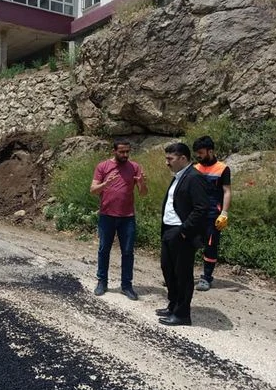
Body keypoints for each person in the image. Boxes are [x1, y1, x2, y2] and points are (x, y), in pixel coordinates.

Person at [157, 143, 209, 326]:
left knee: (183, 274)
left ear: (183, 159)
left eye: (170, 159)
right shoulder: (179, 177)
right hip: (169, 230)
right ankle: (173, 305)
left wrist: (185, 231)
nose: (167, 163)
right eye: (166, 158)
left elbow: (202, 208)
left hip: (181, 233)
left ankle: (182, 315)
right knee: (168, 269)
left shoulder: (194, 178)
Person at [90, 138, 147, 300]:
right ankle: (102, 282)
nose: (125, 154)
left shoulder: (134, 167)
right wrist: (105, 184)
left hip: (127, 217)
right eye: (122, 151)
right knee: (103, 249)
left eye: (127, 151)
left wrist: (142, 183)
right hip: (107, 215)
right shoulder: (103, 166)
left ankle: (127, 286)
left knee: (128, 252)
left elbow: (143, 194)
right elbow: (93, 190)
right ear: (114, 151)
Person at [193, 136, 231, 291]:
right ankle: (183, 275)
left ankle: (206, 278)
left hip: (213, 215)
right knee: (189, 244)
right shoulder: (195, 168)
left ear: (211, 151)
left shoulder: (223, 169)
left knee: (210, 246)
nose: (198, 156)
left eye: (201, 153)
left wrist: (224, 213)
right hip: (196, 213)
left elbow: (227, 191)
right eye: (197, 153)